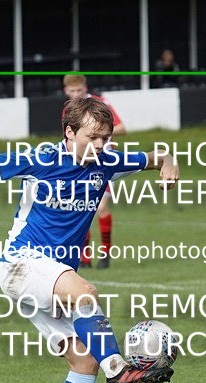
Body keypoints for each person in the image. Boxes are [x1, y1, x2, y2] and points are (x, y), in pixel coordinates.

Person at [0, 96, 179, 383]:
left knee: (83, 358)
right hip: (21, 265)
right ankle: (119, 371)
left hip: (53, 274)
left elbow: (158, 156)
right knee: (86, 292)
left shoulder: (106, 160)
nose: (101, 146)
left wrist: (168, 166)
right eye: (92, 137)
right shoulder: (43, 159)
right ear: (69, 132)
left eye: (106, 137)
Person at [62, 74, 125, 269]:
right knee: (81, 208)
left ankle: (105, 253)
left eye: (79, 90)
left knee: (100, 208)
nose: (76, 94)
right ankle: (85, 255)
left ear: (85, 88)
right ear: (66, 91)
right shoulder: (69, 110)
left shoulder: (98, 104)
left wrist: (97, 133)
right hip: (79, 166)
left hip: (102, 165)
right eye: (72, 91)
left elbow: (121, 127)